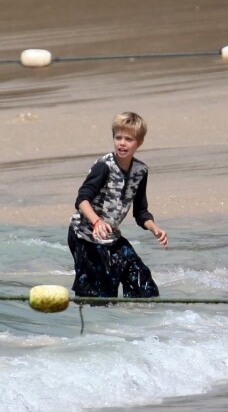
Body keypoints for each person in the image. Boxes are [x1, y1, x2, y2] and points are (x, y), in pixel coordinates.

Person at [68, 111, 168, 299]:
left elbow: (141, 212)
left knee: (143, 285)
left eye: (128, 139)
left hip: (111, 237)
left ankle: (136, 325)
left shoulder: (140, 171)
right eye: (118, 137)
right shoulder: (104, 166)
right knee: (100, 293)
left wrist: (154, 228)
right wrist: (97, 222)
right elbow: (82, 199)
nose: (122, 143)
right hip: (83, 237)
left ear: (139, 142)